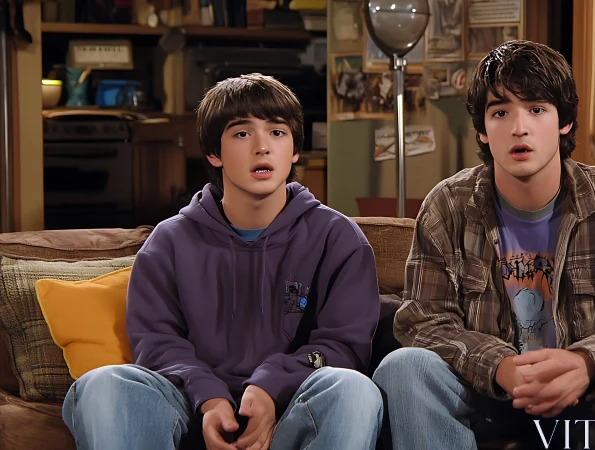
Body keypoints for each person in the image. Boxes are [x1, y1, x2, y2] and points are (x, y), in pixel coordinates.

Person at [372, 41, 595, 449]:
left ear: (564, 122)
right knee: (404, 367)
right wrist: (499, 365)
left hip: (594, 400)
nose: (519, 127)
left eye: (537, 109)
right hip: (487, 398)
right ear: (483, 130)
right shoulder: (448, 206)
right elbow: (423, 321)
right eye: (500, 112)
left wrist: (586, 363)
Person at [62, 73, 383, 450]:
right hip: (188, 409)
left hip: (292, 406)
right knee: (102, 383)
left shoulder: (338, 238)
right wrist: (209, 397)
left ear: (295, 150)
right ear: (214, 153)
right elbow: (158, 344)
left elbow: (343, 347)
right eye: (242, 134)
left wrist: (269, 385)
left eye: (277, 132)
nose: (262, 147)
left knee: (354, 388)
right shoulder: (169, 241)